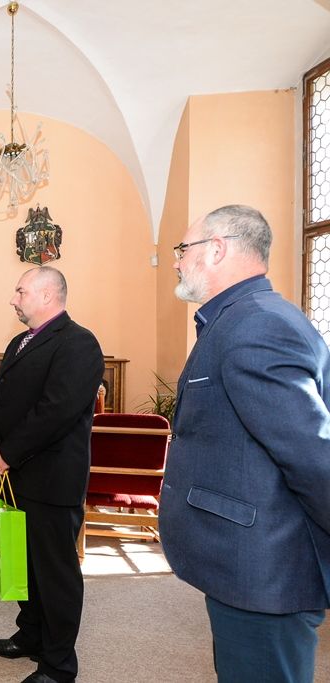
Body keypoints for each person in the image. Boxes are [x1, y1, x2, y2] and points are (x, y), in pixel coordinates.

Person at [160, 205, 330, 682]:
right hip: (246, 564)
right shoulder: (238, 318)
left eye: (183, 249)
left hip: (265, 572)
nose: (177, 261)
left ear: (217, 250)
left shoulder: (256, 324)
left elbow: (313, 454)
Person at [0, 266, 103, 683]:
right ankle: (29, 636)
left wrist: (8, 452)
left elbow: (57, 410)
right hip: (16, 474)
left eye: (21, 291)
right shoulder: (19, 342)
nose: (14, 298)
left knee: (55, 574)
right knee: (24, 564)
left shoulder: (80, 343)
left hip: (51, 479)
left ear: (48, 295)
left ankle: (58, 665)